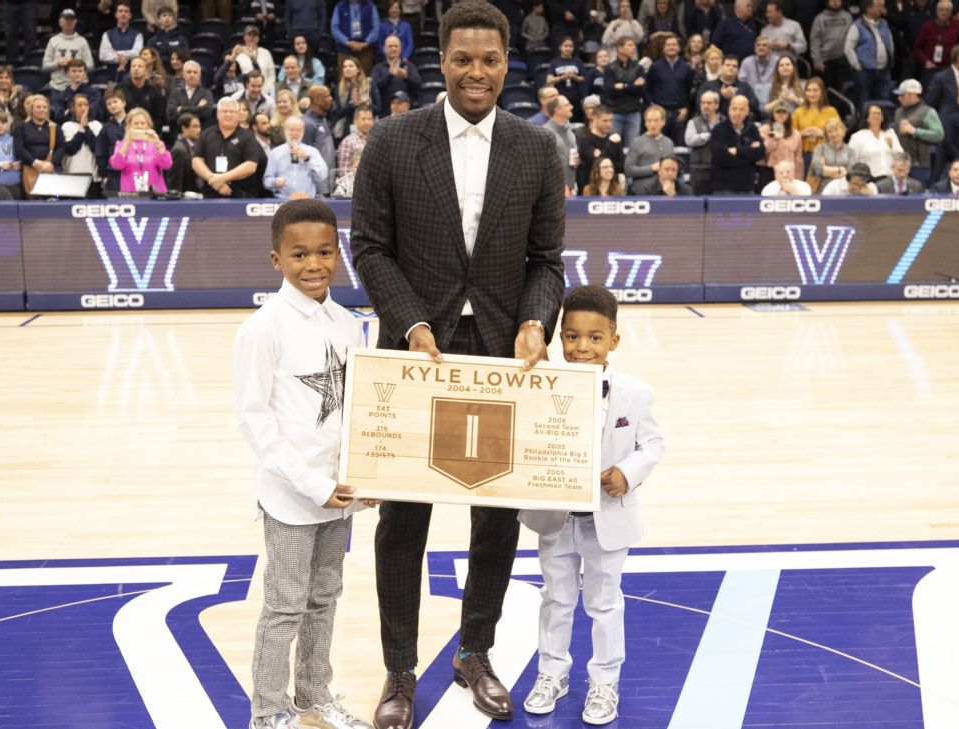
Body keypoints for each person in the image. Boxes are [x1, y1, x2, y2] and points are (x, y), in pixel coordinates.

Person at [349, 3, 566, 727]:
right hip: (417, 356)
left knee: (494, 519)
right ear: (441, 61)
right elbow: (371, 248)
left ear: (508, 63)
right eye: (464, 59)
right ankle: (400, 669)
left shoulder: (537, 148)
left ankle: (476, 649)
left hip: (502, 359)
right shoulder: (391, 139)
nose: (478, 73)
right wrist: (409, 320)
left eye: (491, 60)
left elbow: (547, 263)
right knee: (403, 523)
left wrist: (537, 321)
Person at [233, 199, 374, 729]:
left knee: (324, 599)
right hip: (292, 496)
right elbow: (254, 421)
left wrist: (367, 476)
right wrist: (311, 483)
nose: (313, 264)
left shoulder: (347, 323)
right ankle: (268, 710)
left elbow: (360, 409)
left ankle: (316, 696)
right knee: (285, 606)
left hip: (339, 494)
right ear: (276, 260)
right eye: (299, 255)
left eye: (324, 252)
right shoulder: (262, 329)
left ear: (338, 253)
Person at [518, 284, 665, 727]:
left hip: (608, 517)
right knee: (556, 599)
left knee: (604, 603)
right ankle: (551, 674)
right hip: (555, 517)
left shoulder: (635, 393)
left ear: (613, 341)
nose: (582, 347)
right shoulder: (537, 385)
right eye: (572, 336)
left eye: (595, 338)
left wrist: (628, 472)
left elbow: (652, 443)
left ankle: (605, 681)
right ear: (558, 337)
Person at [193, 96, 266, 197]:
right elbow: (196, 161)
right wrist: (213, 180)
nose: (228, 114)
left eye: (232, 111)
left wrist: (222, 178)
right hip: (211, 195)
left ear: (238, 115)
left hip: (241, 196)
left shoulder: (248, 136)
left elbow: (251, 166)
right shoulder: (206, 134)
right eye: (224, 111)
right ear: (217, 114)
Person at [844, 0, 894, 113]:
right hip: (865, 71)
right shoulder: (857, 26)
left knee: (883, 102)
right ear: (868, 8)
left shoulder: (884, 23)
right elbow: (848, 48)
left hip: (883, 70)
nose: (881, 9)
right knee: (864, 102)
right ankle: (863, 126)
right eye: (878, 6)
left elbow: (889, 41)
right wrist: (857, 66)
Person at [892, 78, 943, 186]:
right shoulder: (898, 112)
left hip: (919, 165)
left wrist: (915, 131)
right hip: (899, 164)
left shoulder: (928, 112)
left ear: (912, 95)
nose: (899, 98)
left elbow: (939, 134)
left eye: (902, 95)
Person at [264, 115, 329, 199]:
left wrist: (307, 158)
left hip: (307, 201)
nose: (294, 134)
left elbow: (322, 176)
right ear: (285, 130)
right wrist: (275, 182)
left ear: (303, 131)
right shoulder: (275, 153)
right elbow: (266, 181)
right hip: (283, 201)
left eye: (298, 130)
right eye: (291, 130)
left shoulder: (312, 152)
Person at [109, 108, 172, 194]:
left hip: (155, 192)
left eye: (143, 123)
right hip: (130, 193)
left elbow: (167, 165)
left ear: (148, 125)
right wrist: (126, 145)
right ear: (129, 125)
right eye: (136, 123)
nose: (139, 126)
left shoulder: (156, 144)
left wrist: (158, 144)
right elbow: (116, 165)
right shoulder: (121, 144)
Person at [710, 93, 764, 194]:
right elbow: (721, 157)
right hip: (723, 187)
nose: (737, 113)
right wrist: (748, 154)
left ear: (747, 112)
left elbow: (760, 153)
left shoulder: (753, 129)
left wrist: (737, 151)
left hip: (747, 187)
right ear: (729, 110)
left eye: (741, 109)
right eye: (734, 109)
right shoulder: (718, 130)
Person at [646, 34, 692, 142]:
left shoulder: (686, 67)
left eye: (674, 45)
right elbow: (648, 89)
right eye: (668, 45)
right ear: (664, 48)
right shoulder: (655, 66)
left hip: (679, 113)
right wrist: (653, 106)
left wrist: (686, 107)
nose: (671, 47)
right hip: (660, 112)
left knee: (679, 147)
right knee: (658, 144)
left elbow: (690, 91)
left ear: (679, 48)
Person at [602, 35, 646, 145]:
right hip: (615, 112)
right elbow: (610, 91)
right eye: (630, 45)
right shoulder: (610, 68)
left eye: (634, 45)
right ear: (620, 48)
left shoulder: (638, 67)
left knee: (632, 147)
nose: (634, 48)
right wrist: (632, 86)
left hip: (634, 112)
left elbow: (641, 89)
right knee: (613, 146)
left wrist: (624, 86)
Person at [625, 105, 675, 194]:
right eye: (649, 121)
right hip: (642, 190)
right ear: (645, 123)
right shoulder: (637, 142)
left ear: (663, 122)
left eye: (656, 120)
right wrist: (651, 168)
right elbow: (628, 170)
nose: (652, 124)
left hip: (664, 190)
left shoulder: (669, 142)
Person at [44, 10, 96, 92]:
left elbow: (91, 66)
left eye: (71, 20)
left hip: (80, 87)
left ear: (75, 22)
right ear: (60, 22)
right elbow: (45, 66)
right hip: (58, 87)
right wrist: (58, 63)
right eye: (66, 20)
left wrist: (75, 63)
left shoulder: (82, 41)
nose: (69, 22)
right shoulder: (53, 41)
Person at [576, 103, 624, 193]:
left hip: (611, 190)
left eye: (611, 120)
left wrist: (603, 157)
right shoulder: (586, 141)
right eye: (605, 121)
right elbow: (597, 165)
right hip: (590, 190)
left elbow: (621, 166)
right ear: (594, 119)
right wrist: (610, 144)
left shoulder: (614, 139)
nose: (609, 124)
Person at [696, 53, 758, 118]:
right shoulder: (708, 86)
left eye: (734, 66)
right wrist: (720, 95)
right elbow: (699, 105)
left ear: (738, 70)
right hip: (713, 123)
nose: (731, 68)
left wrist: (735, 99)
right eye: (727, 65)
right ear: (721, 67)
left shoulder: (745, 87)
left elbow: (754, 105)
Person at [914, 1, 959, 83]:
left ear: (951, 12)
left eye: (947, 10)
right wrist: (925, 61)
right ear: (936, 11)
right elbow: (917, 47)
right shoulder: (927, 26)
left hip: (948, 69)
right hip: (930, 69)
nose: (944, 12)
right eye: (941, 9)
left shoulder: (956, 27)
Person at [757, 101, 803, 189]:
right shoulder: (763, 130)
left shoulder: (795, 133)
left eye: (784, 112)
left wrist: (799, 178)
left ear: (788, 114)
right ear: (773, 114)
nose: (781, 114)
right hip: (768, 170)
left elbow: (798, 158)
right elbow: (760, 151)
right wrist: (774, 139)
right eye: (778, 112)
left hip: (788, 172)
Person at [372, 36, 421, 117]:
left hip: (407, 115)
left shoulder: (409, 66)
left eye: (396, 46)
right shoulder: (378, 68)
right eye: (390, 46)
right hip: (384, 115)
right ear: (384, 48)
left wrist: (406, 77)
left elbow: (418, 85)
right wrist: (390, 75)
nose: (393, 48)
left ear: (401, 48)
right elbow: (374, 88)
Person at [811, 0, 853, 95]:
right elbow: (815, 40)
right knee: (828, 91)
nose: (835, 2)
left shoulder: (847, 16)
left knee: (844, 91)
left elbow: (852, 38)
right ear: (827, 2)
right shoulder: (819, 19)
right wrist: (816, 59)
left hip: (843, 59)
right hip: (826, 61)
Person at [849, 102, 901, 178]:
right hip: (869, 178)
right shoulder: (857, 137)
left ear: (883, 118)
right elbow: (852, 161)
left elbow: (900, 156)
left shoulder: (890, 133)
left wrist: (892, 146)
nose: (876, 116)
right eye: (873, 113)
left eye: (879, 113)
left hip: (890, 177)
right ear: (867, 118)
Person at [792, 77, 838, 162]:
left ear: (822, 92)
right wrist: (802, 133)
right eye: (808, 90)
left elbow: (839, 134)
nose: (811, 94)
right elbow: (789, 135)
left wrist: (823, 134)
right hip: (804, 155)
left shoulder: (831, 111)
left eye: (815, 90)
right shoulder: (799, 112)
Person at [60, 93, 102, 184]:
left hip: (93, 175)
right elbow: (71, 149)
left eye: (86, 105)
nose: (83, 108)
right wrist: (81, 130)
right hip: (73, 173)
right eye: (79, 105)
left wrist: (86, 128)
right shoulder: (67, 126)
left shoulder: (96, 125)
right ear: (73, 108)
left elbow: (97, 148)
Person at [685, 89, 721, 193]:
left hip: (720, 169)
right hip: (699, 170)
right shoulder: (693, 122)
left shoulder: (724, 121)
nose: (705, 106)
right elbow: (689, 140)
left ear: (716, 105)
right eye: (703, 103)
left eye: (709, 103)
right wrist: (709, 136)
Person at [332, 0, 382, 72]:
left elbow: (376, 28)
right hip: (345, 49)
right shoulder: (339, 6)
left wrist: (366, 43)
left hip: (365, 50)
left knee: (365, 78)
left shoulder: (370, 6)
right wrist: (347, 42)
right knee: (344, 78)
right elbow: (334, 29)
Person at [544, 95, 580, 192]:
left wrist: (576, 162)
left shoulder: (569, 131)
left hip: (570, 186)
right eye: (567, 105)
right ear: (558, 110)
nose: (571, 107)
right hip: (552, 189)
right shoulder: (545, 132)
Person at [50, 59, 103, 125]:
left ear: (85, 73)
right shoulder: (61, 96)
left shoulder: (94, 93)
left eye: (80, 71)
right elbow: (59, 118)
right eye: (74, 71)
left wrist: (68, 111)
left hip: (89, 126)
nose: (77, 74)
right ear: (67, 72)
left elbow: (91, 113)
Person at [809, 117, 854, 192]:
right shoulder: (820, 149)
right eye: (830, 131)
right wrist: (839, 170)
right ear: (826, 135)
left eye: (836, 130)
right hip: (821, 189)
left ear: (843, 131)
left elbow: (850, 173)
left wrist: (826, 169)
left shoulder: (850, 151)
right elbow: (818, 169)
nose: (833, 134)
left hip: (843, 190)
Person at [100, 2, 143, 80]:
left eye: (126, 11)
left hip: (131, 76)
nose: (123, 14)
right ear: (116, 14)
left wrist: (116, 53)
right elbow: (103, 56)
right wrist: (124, 57)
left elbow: (137, 53)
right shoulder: (107, 34)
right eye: (120, 11)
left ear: (130, 16)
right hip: (111, 75)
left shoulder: (138, 35)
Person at [121, 56, 168, 127]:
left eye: (139, 66)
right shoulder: (120, 89)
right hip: (125, 130)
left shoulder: (154, 91)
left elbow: (159, 116)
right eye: (133, 66)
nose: (136, 69)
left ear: (146, 70)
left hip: (148, 131)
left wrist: (151, 130)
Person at [168, 60, 216, 130]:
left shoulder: (206, 93)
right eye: (189, 72)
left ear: (200, 76)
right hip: (179, 133)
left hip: (201, 134)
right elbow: (170, 116)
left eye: (195, 72)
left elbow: (206, 113)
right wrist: (198, 108)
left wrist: (181, 109)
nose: (192, 75)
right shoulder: (175, 94)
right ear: (183, 75)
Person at [547, 36, 585, 118]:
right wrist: (562, 77)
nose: (568, 48)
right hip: (560, 98)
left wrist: (574, 76)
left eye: (570, 46)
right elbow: (549, 80)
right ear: (560, 47)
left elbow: (583, 78)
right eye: (565, 46)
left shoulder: (578, 61)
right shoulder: (555, 62)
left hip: (576, 98)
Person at [335, 104, 373, 180]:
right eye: (363, 119)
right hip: (354, 185)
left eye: (369, 119)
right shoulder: (348, 142)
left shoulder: (376, 140)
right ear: (355, 121)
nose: (367, 122)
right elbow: (344, 172)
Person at [168, 112, 202, 193]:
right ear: (184, 128)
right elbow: (174, 182)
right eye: (195, 126)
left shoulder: (197, 144)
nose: (199, 130)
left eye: (199, 126)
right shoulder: (179, 150)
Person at [739, 35, 777, 106]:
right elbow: (741, 82)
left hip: (771, 98)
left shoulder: (776, 61)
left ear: (770, 49)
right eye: (758, 45)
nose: (761, 47)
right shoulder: (747, 61)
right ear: (754, 48)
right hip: (750, 98)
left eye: (764, 45)